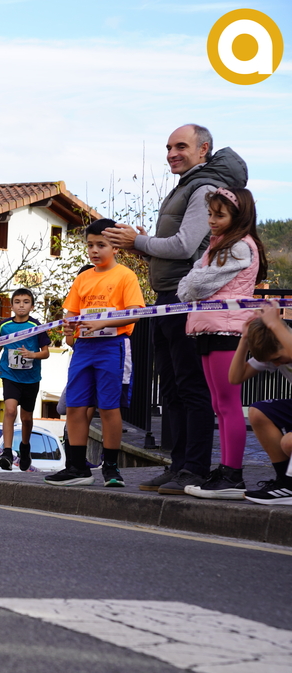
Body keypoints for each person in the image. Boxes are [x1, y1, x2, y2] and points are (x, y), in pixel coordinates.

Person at [104, 124, 248, 494]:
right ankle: (179, 465)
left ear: (204, 149)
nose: (172, 154)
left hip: (186, 300)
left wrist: (139, 241)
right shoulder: (186, 185)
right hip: (166, 300)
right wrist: (141, 245)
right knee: (170, 386)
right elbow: (178, 247)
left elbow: (185, 246)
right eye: (168, 147)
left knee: (190, 387)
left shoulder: (203, 188)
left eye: (180, 146)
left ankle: (194, 468)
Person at [177, 188, 268, 500]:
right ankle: (227, 471)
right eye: (210, 214)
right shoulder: (220, 245)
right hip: (212, 327)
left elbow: (194, 286)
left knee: (228, 404)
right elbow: (191, 284)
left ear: (238, 217)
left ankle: (232, 474)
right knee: (220, 404)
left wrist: (194, 278)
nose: (212, 221)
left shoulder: (239, 247)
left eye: (220, 215)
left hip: (226, 330)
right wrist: (193, 280)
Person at [46, 219, 145, 487]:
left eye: (101, 245)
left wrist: (102, 323)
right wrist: (69, 325)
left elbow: (135, 313)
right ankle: (77, 466)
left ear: (115, 248)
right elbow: (71, 312)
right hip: (84, 347)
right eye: (90, 245)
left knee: (109, 407)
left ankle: (111, 467)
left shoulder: (125, 276)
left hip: (113, 346)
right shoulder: (83, 278)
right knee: (76, 406)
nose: (94, 251)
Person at [228, 301, 292, 505]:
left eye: (278, 358)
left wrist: (275, 324)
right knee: (257, 411)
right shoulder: (275, 351)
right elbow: (235, 378)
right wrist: (244, 340)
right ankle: (286, 483)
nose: (276, 364)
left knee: (289, 442)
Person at [0, 288, 51, 471]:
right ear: (11, 306)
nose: (21, 305)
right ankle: (7, 452)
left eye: (25, 302)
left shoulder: (37, 326)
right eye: (17, 302)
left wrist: (32, 354)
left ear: (32, 306)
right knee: (9, 411)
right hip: (10, 374)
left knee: (26, 418)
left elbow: (46, 352)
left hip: (30, 377)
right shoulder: (4, 325)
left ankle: (25, 447)